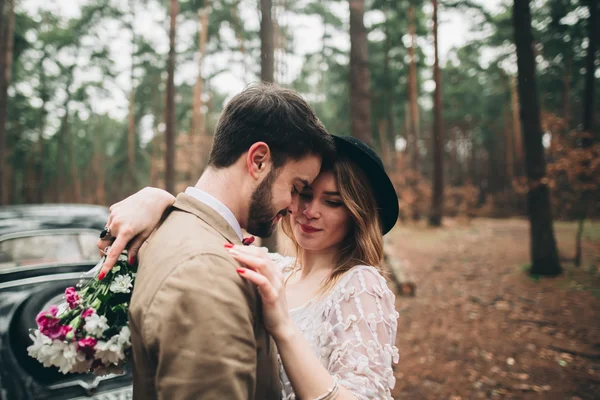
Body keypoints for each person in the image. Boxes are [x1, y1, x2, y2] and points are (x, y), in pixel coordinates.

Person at [100, 135, 401, 399]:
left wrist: (283, 327)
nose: (309, 212)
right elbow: (205, 237)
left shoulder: (359, 285)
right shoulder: (270, 267)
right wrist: (159, 200)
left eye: (333, 202)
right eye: (304, 194)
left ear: (356, 214)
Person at [97, 83, 336, 400]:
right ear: (259, 160)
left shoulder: (176, 228)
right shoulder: (206, 272)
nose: (295, 206)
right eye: (295, 186)